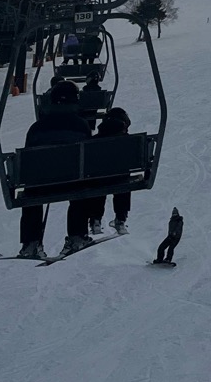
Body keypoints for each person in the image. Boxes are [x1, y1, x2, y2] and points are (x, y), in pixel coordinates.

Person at [17, 79, 93, 260]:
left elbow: (28, 161)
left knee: (31, 192)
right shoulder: (82, 125)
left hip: (40, 185)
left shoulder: (36, 128)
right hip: (72, 181)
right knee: (82, 187)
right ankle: (77, 235)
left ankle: (31, 243)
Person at [85, 106, 132, 236]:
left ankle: (95, 219)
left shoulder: (94, 140)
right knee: (123, 181)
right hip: (120, 179)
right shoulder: (129, 140)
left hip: (99, 179)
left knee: (97, 182)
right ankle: (120, 219)